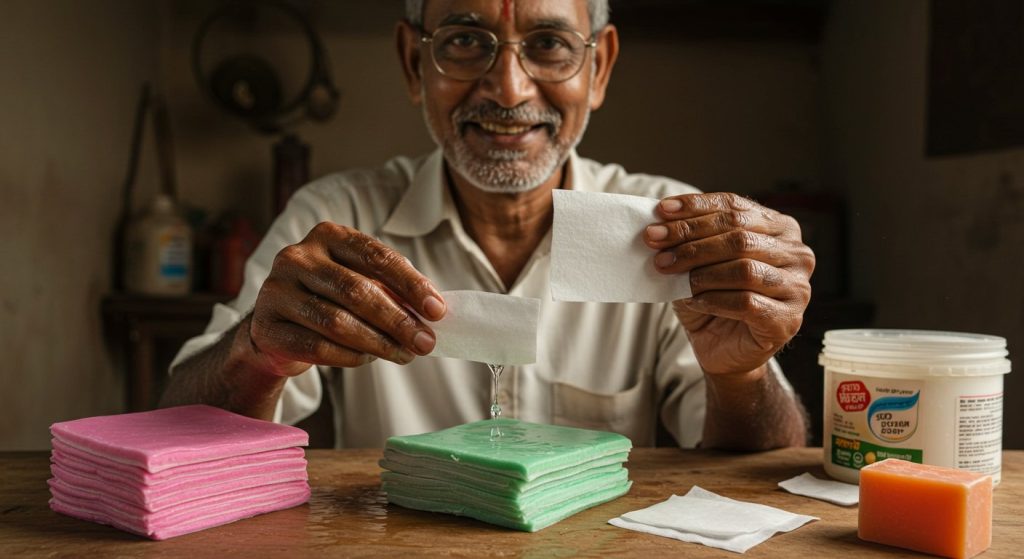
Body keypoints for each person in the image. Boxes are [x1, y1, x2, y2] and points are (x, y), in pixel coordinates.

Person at [162, 0, 814, 450]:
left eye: (550, 45)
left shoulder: (672, 236)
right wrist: (257, 351)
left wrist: (740, 374)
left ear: (600, 66)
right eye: (466, 42)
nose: (508, 89)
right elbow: (180, 432)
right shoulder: (333, 222)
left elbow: (757, 468)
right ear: (414, 64)